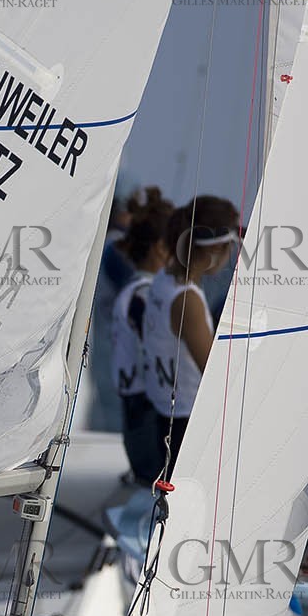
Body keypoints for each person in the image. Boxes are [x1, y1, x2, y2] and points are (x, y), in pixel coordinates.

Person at [142, 196, 242, 479]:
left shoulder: (164, 279)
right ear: (218, 248)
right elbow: (214, 375)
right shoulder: (188, 301)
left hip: (164, 416)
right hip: (186, 425)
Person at [107, 187, 174, 482]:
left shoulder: (137, 292)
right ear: (161, 248)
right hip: (151, 432)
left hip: (138, 426)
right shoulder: (145, 297)